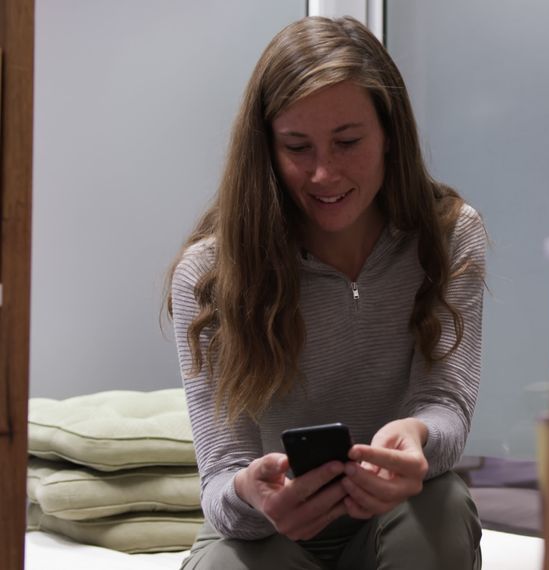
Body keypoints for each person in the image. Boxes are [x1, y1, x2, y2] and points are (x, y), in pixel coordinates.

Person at [168, 15, 486, 569]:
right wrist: (252, 494)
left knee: (443, 506)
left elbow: (446, 403)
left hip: (397, 522)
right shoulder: (210, 275)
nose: (323, 174)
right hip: (269, 539)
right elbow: (220, 477)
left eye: (347, 142)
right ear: (266, 149)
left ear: (389, 134)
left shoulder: (450, 236)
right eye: (297, 147)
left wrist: (417, 436)